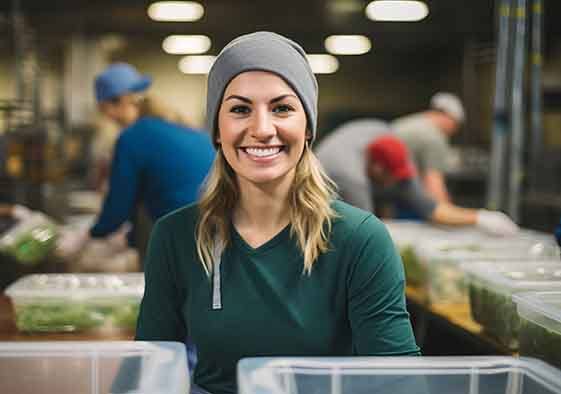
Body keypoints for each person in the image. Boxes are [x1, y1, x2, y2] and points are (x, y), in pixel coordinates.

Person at [136, 32, 420, 394]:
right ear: (218, 130)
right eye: (240, 109)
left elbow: (398, 381)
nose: (262, 129)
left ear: (307, 127)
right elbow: (149, 371)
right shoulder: (176, 236)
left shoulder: (360, 239)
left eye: (282, 108)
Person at [58, 63, 216, 257]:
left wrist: (86, 237)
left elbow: (118, 208)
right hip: (216, 233)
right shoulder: (180, 127)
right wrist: (131, 237)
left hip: (187, 238)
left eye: (102, 110)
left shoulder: (132, 138)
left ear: (110, 105)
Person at [315, 121, 518, 235]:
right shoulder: (349, 176)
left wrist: (479, 217)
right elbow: (366, 233)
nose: (398, 183)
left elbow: (430, 208)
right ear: (377, 170)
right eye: (392, 177)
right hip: (321, 192)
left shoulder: (396, 156)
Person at [392, 92, 464, 203]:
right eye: (455, 125)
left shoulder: (404, 123)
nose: (454, 131)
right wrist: (451, 213)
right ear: (448, 118)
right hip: (399, 196)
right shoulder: (434, 136)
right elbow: (434, 185)